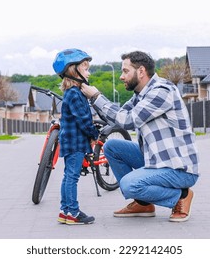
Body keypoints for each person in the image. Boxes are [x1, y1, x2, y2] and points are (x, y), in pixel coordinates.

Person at [81, 51, 199, 222]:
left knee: (129, 185)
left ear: (141, 71)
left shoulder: (161, 91)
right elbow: (117, 115)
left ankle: (182, 195)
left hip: (177, 168)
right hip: (156, 159)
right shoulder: (141, 95)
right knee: (112, 147)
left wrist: (97, 96)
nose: (122, 77)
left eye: (125, 71)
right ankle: (143, 203)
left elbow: (128, 120)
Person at [52, 48, 99, 225]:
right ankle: (72, 211)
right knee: (72, 177)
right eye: (86, 68)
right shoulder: (75, 94)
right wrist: (94, 135)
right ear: (74, 71)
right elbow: (85, 120)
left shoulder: (71, 93)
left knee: (68, 175)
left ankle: (65, 210)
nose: (89, 72)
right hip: (76, 142)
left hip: (69, 141)